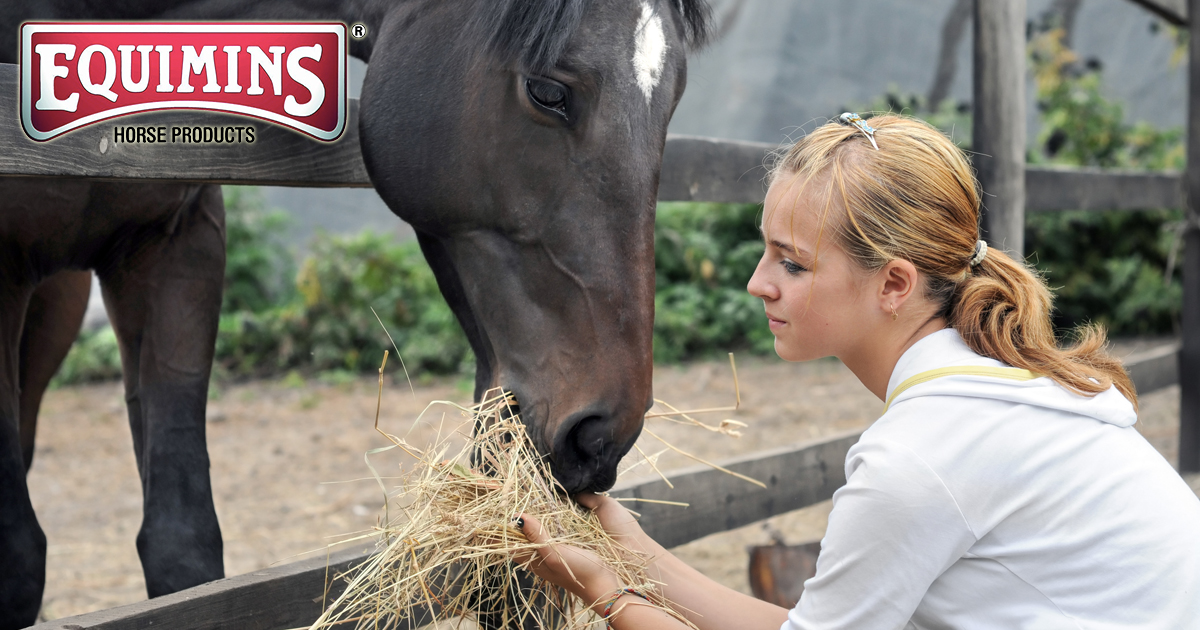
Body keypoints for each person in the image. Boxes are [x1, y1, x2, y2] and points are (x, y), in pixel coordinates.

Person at [514, 114, 1200, 629]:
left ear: (894, 285)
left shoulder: (921, 457)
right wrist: (630, 549)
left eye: (793, 262)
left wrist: (605, 592)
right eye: (766, 253)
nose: (759, 283)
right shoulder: (1000, 392)